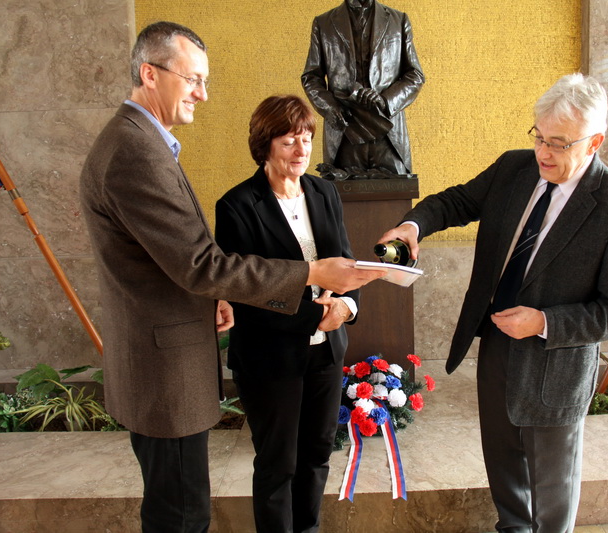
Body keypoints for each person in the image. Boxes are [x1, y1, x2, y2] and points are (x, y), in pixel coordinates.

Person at [79, 22, 382, 532]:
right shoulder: (135, 151)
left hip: (213, 354)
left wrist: (342, 305)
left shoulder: (146, 144)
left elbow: (175, 262)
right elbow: (204, 265)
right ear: (149, 74)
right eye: (193, 78)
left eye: (206, 80)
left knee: (192, 506)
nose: (203, 93)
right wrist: (309, 272)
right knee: (182, 515)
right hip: (171, 370)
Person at [378, 74, 608, 533]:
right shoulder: (514, 169)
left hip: (555, 366)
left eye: (559, 143)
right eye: (539, 137)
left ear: (594, 142)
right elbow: (456, 201)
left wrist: (544, 322)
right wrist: (413, 225)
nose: (543, 152)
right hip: (497, 344)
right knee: (502, 464)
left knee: (550, 486)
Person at [214, 94, 356, 533]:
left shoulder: (323, 191)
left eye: (308, 139)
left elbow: (344, 263)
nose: (301, 150)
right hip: (268, 355)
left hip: (326, 352)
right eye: (289, 140)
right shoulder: (237, 206)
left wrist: (347, 307)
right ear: (265, 143)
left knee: (316, 455)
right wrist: (314, 317)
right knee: (279, 463)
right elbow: (244, 292)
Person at [301, 0, 424, 179]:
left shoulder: (399, 20)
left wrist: (386, 101)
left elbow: (415, 75)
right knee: (340, 199)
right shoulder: (324, 23)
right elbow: (311, 77)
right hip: (345, 133)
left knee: (396, 198)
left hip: (388, 136)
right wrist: (330, 109)